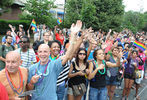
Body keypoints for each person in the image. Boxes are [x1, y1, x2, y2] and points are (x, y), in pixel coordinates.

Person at [27, 20, 82, 100]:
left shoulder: (54, 65)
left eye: (45, 51)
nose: (43, 54)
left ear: (49, 52)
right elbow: (29, 89)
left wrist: (73, 35)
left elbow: (68, 55)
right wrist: (32, 82)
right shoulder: (32, 68)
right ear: (37, 53)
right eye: (40, 52)